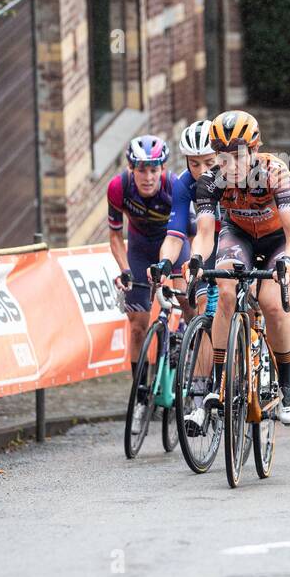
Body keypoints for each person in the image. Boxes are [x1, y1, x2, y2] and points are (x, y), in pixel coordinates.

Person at [187, 111, 290, 426]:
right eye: (223, 157)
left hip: (278, 241)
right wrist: (196, 260)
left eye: (238, 155)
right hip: (238, 235)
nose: (231, 165)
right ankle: (218, 379)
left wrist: (288, 261)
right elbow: (205, 233)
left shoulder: (274, 172)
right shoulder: (210, 181)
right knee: (225, 291)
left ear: (255, 150)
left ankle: (288, 384)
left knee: (271, 302)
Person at [106, 135, 182, 388]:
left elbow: (189, 233)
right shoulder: (118, 188)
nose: (148, 177)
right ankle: (140, 391)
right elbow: (115, 235)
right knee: (138, 324)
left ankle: (186, 340)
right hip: (139, 249)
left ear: (163, 169)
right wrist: (124, 269)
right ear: (131, 169)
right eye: (141, 170)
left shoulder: (173, 186)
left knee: (190, 304)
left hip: (173, 246)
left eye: (154, 170)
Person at [155, 120, 219, 313]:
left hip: (239, 237)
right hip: (208, 241)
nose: (202, 172)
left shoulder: (234, 177)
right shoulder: (184, 183)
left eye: (209, 163)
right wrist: (165, 262)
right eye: (194, 164)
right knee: (204, 305)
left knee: (239, 297)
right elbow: (175, 236)